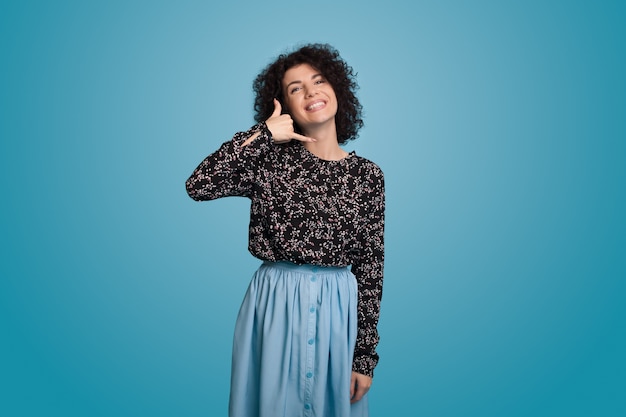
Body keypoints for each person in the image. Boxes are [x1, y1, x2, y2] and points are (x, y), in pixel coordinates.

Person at [185, 43, 385, 417]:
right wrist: (262, 135)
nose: (310, 92)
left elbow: (371, 266)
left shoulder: (368, 176)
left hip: (337, 307)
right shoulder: (267, 162)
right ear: (284, 106)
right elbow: (199, 185)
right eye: (295, 88)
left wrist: (364, 357)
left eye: (319, 80)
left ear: (337, 88)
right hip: (276, 301)